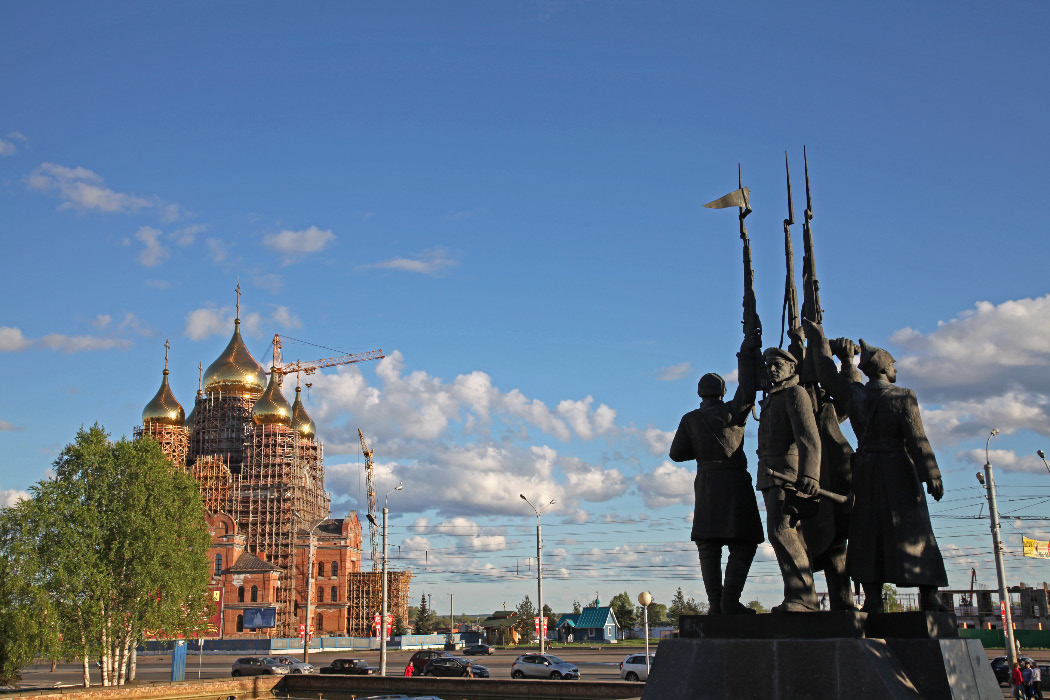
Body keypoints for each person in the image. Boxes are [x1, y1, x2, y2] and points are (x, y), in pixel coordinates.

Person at [804, 321, 948, 612]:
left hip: (866, 470)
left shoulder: (856, 395)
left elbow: (826, 373)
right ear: (885, 368)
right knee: (913, 529)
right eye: (894, 364)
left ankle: (872, 598)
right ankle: (929, 596)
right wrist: (931, 474)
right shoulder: (903, 396)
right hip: (898, 469)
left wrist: (818, 338)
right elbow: (917, 439)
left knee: (867, 530)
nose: (896, 370)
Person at [669, 331, 764, 614]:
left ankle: (714, 605)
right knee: (744, 542)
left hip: (707, 483)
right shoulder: (734, 411)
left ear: (700, 393)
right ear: (723, 392)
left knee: (708, 546)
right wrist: (746, 353)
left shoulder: (690, 419)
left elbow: (676, 454)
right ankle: (730, 601)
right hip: (734, 481)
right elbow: (748, 387)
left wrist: (701, 451)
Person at [755, 344, 822, 612]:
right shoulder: (772, 398)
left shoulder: (795, 393)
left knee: (781, 531)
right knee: (783, 534)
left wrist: (810, 475)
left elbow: (809, 439)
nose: (771, 370)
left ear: (792, 368)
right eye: (768, 365)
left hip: (789, 476)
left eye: (778, 365)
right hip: (770, 476)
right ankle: (796, 595)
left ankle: (804, 597)